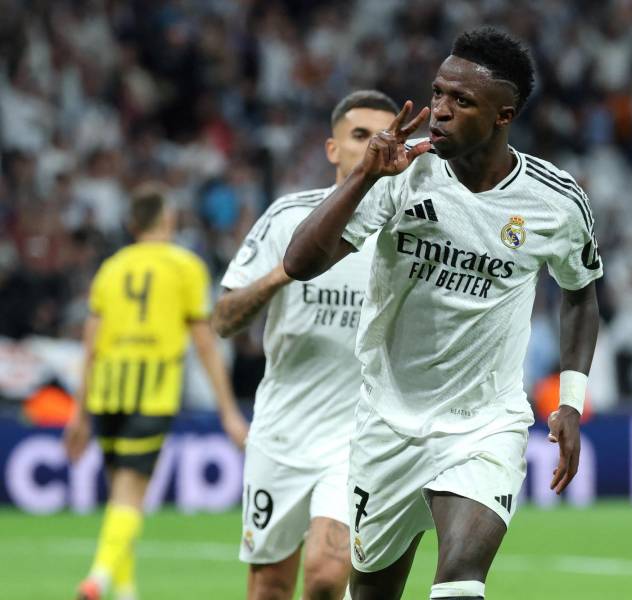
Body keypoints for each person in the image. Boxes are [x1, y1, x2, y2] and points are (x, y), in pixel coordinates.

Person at [283, 28, 602, 600]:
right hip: (387, 419)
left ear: (504, 115)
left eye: (461, 101)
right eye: (437, 93)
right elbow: (299, 263)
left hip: (484, 421)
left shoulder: (555, 202)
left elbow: (580, 292)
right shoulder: (400, 175)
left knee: (460, 579)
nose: (439, 111)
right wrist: (362, 176)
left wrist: (571, 402)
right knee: (372, 592)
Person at [211, 90, 400, 600]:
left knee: (324, 575)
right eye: (360, 135)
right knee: (270, 586)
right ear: (332, 149)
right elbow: (223, 319)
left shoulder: (406, 233)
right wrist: (284, 272)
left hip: (359, 436)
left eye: (385, 134)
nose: (373, 144)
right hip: (282, 431)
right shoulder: (288, 218)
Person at [63, 184, 248, 600]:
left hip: (106, 391)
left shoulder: (110, 268)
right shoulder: (185, 266)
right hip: (152, 390)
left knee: (118, 498)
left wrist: (77, 412)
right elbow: (204, 343)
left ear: (132, 224)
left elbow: (89, 344)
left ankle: (126, 592)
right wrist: (228, 410)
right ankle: (98, 579)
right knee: (130, 496)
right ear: (169, 221)